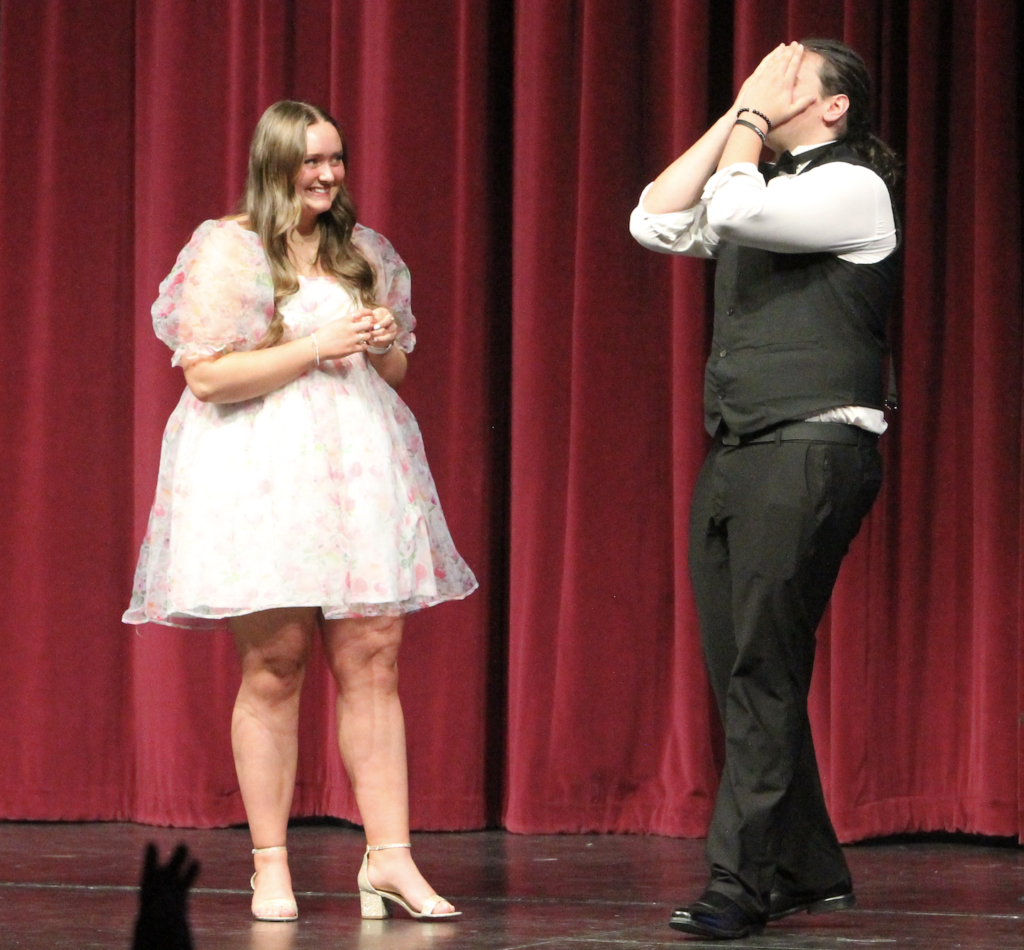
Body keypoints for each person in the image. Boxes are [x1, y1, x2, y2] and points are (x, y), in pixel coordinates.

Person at [124, 100, 477, 923]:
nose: (327, 175)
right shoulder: (231, 247)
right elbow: (207, 376)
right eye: (310, 161)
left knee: (375, 658)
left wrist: (380, 338)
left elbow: (393, 372)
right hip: (265, 474)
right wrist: (317, 345)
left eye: (335, 159)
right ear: (275, 164)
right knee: (276, 665)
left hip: (356, 471)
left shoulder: (360, 251)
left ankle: (389, 859)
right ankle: (271, 866)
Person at [630, 40, 899, 939]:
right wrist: (736, 114)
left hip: (812, 446)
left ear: (833, 106)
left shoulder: (853, 187)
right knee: (743, 664)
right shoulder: (759, 184)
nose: (765, 91)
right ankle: (806, 866)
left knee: (760, 665)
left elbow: (735, 207)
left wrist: (749, 117)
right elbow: (654, 218)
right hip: (742, 447)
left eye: (788, 82)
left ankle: (741, 882)